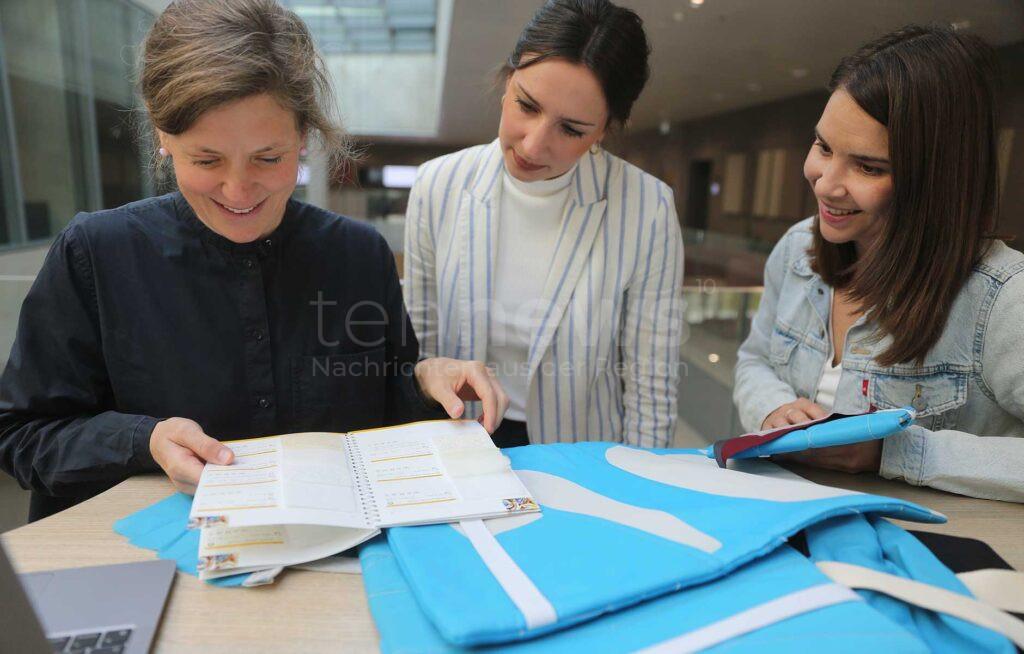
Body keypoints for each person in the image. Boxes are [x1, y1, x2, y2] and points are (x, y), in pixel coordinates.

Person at [0, 0, 506, 522]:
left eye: (269, 158)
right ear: (161, 135)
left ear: (305, 137)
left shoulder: (358, 255)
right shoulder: (95, 254)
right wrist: (144, 440)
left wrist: (424, 381)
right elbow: (21, 433)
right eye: (206, 160)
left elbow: (385, 406)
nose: (239, 190)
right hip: (153, 570)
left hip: (332, 569)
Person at [734, 25, 1024, 502]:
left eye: (868, 167)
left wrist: (895, 454)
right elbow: (754, 360)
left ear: (935, 180)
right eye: (823, 147)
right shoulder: (795, 251)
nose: (826, 184)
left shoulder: (999, 298)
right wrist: (774, 409)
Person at [403, 0, 684, 449]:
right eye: (526, 106)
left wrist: (638, 490)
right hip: (460, 440)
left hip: (585, 451)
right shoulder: (439, 184)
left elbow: (651, 382)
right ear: (507, 82)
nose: (534, 145)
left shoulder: (646, 206)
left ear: (604, 131)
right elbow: (418, 349)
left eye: (571, 130)